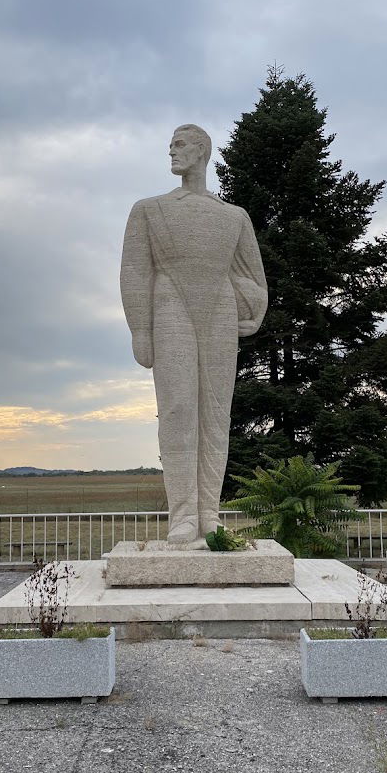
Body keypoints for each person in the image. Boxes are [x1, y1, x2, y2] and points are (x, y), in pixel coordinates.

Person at [120, 124, 267, 543]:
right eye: (170, 144)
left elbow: (252, 275)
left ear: (201, 150)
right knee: (179, 409)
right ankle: (183, 515)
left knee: (216, 414)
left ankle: (210, 515)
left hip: (218, 311)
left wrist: (254, 311)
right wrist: (140, 329)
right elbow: (134, 271)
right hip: (171, 307)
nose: (171, 151)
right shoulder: (149, 210)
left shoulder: (233, 216)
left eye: (180, 144)